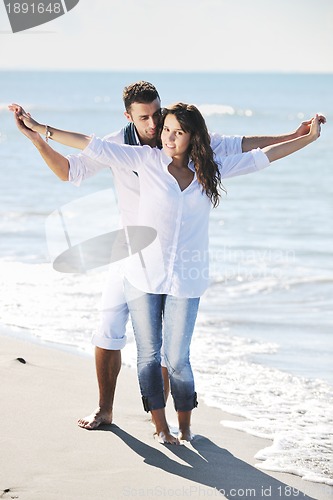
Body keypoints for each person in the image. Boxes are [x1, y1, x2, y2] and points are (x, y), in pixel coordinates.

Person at [11, 100, 324, 444]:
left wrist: (305, 139)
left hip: (187, 278)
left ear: (193, 137)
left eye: (176, 131)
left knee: (177, 359)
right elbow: (90, 145)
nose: (168, 137)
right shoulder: (145, 159)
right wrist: (40, 130)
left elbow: (259, 156)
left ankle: (185, 427)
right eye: (165, 130)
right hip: (141, 272)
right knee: (144, 353)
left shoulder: (211, 167)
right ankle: (158, 427)